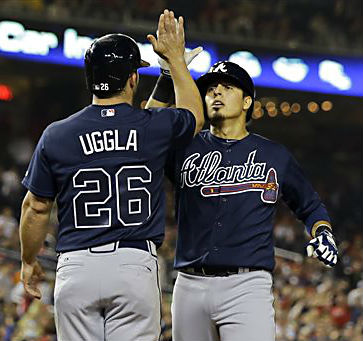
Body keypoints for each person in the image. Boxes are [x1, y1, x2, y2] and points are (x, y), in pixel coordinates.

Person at [19, 9, 204, 341]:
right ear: (133, 78)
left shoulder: (57, 134)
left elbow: (35, 208)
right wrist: (175, 62)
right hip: (133, 264)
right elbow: (192, 114)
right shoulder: (150, 129)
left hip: (76, 268)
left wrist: (28, 260)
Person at [147, 60, 338, 341]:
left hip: (246, 286)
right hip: (189, 284)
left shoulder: (274, 155)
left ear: (247, 101)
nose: (216, 94)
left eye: (227, 87)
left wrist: (323, 232)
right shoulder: (184, 147)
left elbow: (309, 206)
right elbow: (147, 134)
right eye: (211, 89)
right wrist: (166, 78)